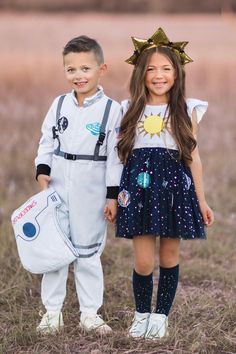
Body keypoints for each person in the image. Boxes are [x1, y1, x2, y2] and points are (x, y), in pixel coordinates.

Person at [115, 27, 214, 339]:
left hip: (175, 192)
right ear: (141, 74)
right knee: (143, 262)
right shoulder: (128, 108)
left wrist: (201, 199)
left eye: (166, 69)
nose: (159, 75)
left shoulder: (187, 108)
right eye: (151, 69)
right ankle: (142, 313)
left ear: (177, 73)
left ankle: (160, 317)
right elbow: (117, 158)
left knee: (169, 256)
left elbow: (193, 158)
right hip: (140, 190)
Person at [35, 35, 121, 334]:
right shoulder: (59, 104)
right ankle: (52, 312)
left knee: (87, 253)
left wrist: (112, 196)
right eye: (71, 69)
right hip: (58, 184)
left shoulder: (112, 111)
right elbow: (47, 140)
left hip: (91, 187)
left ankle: (89, 313)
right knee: (56, 250)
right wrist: (42, 170)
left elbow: (115, 158)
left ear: (102, 69)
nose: (78, 75)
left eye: (85, 68)